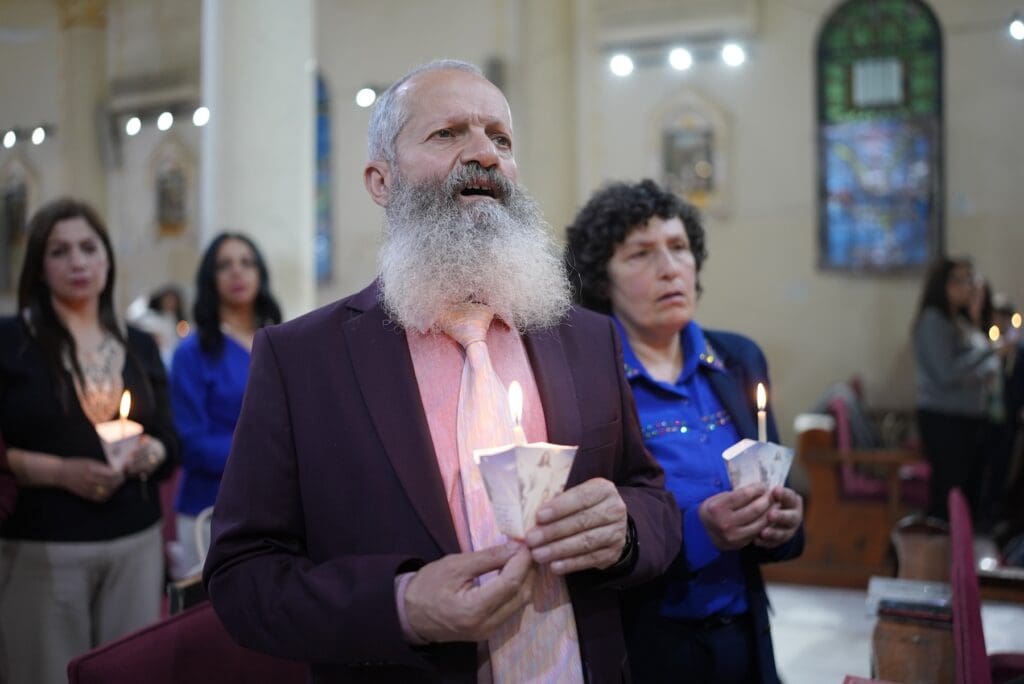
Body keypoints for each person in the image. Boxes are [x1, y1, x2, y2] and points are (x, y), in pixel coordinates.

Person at [203, 60, 681, 682]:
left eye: (500, 139)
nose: (483, 153)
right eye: (448, 134)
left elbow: (651, 498)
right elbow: (243, 576)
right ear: (381, 180)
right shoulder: (302, 361)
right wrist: (402, 605)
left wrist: (627, 532)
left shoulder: (586, 337)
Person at [564, 179, 804, 683]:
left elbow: (776, 482)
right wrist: (700, 531)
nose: (670, 268)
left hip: (742, 630)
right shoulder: (587, 382)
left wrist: (784, 523)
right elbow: (591, 543)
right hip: (646, 641)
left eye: (679, 248)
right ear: (603, 280)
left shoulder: (737, 360)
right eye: (640, 254)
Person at [0, 198, 178, 684]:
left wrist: (151, 453)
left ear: (106, 259)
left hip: (134, 541)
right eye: (59, 251)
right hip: (44, 544)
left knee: (132, 672)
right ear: (38, 264)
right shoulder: (10, 341)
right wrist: (61, 472)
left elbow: (168, 437)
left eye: (88, 247)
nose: (77, 261)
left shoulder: (138, 343)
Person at [169, 233, 281, 578]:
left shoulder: (279, 340)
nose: (237, 273)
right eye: (224, 265)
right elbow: (192, 443)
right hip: (210, 507)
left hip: (276, 504)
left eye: (246, 263)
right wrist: (269, 456)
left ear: (260, 273)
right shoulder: (192, 353)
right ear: (210, 279)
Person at [912, 257, 1009, 520]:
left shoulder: (959, 321)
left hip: (964, 418)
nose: (967, 286)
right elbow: (947, 372)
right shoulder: (934, 320)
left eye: (969, 279)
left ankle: (957, 555)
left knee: (964, 495)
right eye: (959, 280)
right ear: (942, 284)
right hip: (944, 418)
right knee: (947, 496)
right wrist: (989, 357)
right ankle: (937, 557)